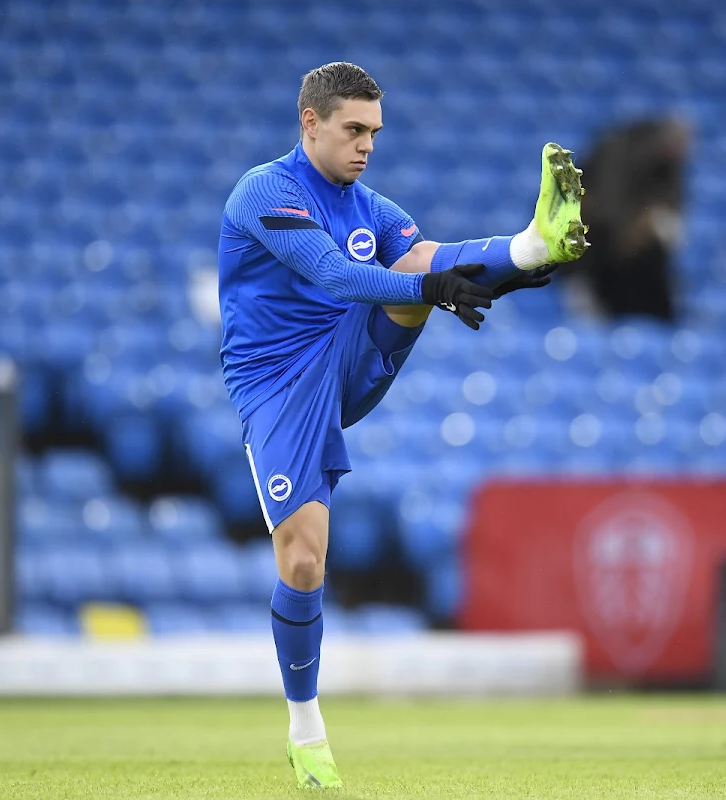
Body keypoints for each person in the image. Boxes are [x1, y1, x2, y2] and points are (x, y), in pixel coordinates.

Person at [217, 62, 587, 788]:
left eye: (374, 133)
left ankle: (534, 241)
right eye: (353, 130)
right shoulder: (265, 191)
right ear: (310, 123)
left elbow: (431, 264)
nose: (365, 147)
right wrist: (431, 286)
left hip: (348, 355)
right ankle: (305, 727)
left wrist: (512, 270)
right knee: (304, 562)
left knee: (419, 257)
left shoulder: (373, 207)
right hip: (279, 384)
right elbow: (336, 276)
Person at [561, 118, 688, 321]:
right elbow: (606, 204)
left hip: (633, 274)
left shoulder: (666, 171)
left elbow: (670, 215)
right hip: (594, 261)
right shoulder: (618, 153)